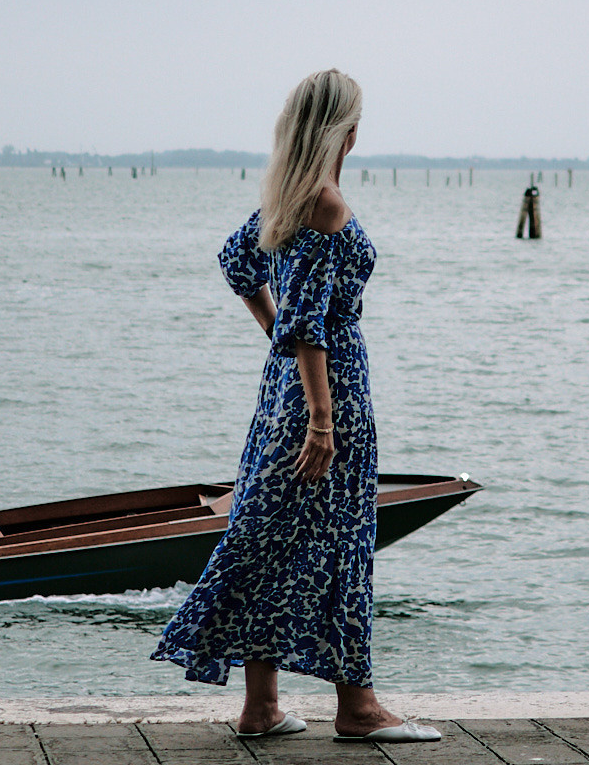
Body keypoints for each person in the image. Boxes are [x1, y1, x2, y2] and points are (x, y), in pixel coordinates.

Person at [152, 69, 439, 743]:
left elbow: (237, 268)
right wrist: (321, 419)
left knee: (269, 538)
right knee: (340, 543)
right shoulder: (326, 204)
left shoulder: (286, 198)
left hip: (282, 390)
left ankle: (260, 707)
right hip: (327, 390)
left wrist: (276, 339)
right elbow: (307, 322)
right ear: (347, 129)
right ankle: (358, 709)